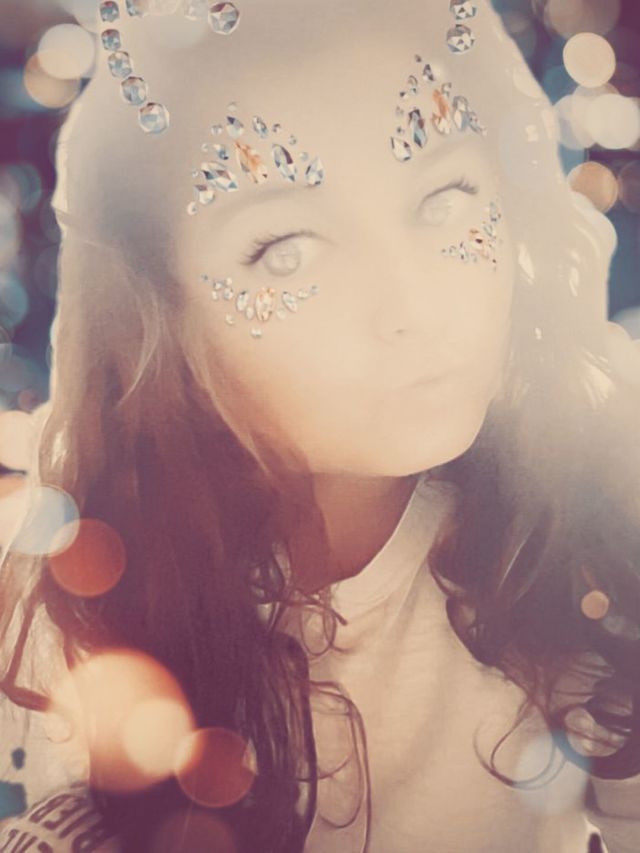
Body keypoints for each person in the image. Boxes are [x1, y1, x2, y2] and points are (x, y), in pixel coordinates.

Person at [0, 0, 639, 850]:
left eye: (443, 198)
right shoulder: (79, 593)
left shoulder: (581, 538)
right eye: (286, 251)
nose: (411, 305)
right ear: (161, 314)